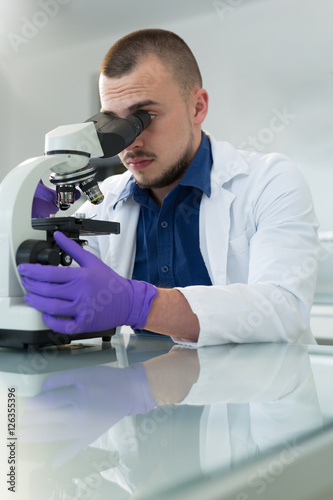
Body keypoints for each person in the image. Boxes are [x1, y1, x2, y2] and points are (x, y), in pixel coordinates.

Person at [20, 29, 321, 346]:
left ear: (198, 107)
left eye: (144, 117)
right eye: (113, 123)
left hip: (255, 392)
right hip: (141, 391)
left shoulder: (269, 181)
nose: (130, 142)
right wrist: (22, 235)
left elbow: (283, 310)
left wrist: (140, 304)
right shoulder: (105, 200)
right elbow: (57, 296)